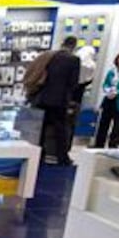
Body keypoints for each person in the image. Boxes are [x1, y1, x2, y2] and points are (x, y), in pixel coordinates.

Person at [33, 36, 80, 166]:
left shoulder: (49, 56)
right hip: (59, 100)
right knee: (60, 129)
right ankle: (62, 158)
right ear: (73, 46)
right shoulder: (74, 59)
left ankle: (39, 155)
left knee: (41, 129)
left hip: (42, 98)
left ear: (62, 43)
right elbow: (73, 83)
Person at [93, 50, 119, 149]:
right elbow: (106, 83)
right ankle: (99, 144)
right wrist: (107, 89)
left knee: (117, 125)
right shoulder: (112, 71)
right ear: (117, 59)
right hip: (109, 99)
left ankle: (113, 145)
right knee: (103, 123)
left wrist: (118, 92)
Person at [68, 45, 97, 151]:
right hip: (77, 98)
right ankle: (68, 145)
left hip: (67, 96)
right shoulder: (92, 66)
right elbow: (88, 81)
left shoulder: (73, 62)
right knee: (72, 122)